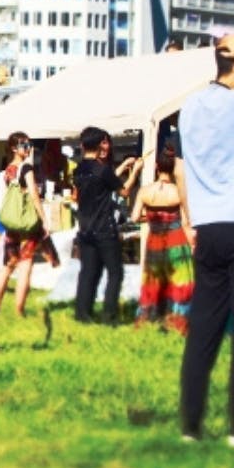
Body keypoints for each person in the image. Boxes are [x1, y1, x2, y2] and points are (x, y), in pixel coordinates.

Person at [178, 33, 234, 446]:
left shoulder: (190, 107)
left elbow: (181, 169)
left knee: (204, 330)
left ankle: (190, 427)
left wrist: (190, 220)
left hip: (208, 227)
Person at [72, 126, 142, 324]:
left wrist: (124, 166)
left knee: (88, 273)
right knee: (115, 273)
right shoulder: (102, 170)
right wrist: (135, 171)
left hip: (85, 229)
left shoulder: (79, 170)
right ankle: (109, 316)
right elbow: (124, 191)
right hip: (104, 229)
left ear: (83, 145)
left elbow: (107, 182)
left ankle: (82, 313)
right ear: (98, 145)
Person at [129, 148, 193, 334]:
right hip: (176, 238)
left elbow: (134, 217)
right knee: (179, 280)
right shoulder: (178, 191)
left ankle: (150, 318)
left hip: (155, 239)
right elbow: (186, 219)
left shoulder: (144, 191)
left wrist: (151, 218)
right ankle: (177, 320)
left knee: (154, 278)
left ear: (157, 166)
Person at [0, 132, 52, 316]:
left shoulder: (7, 171)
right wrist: (44, 219)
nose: (28, 148)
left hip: (11, 222)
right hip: (26, 223)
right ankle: (19, 310)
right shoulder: (26, 169)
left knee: (8, 265)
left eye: (29, 145)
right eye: (24, 145)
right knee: (26, 265)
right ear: (13, 148)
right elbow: (34, 195)